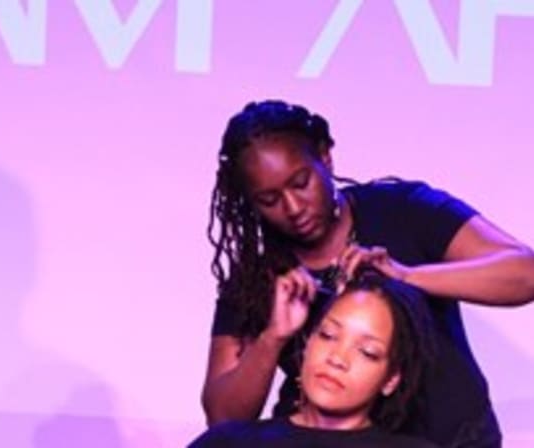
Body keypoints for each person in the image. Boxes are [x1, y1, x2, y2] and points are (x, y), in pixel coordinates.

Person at [202, 99, 534, 447]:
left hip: (454, 439)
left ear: (325, 157)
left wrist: (408, 277)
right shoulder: (258, 275)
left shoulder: (402, 209)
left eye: (301, 183)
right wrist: (272, 338)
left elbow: (525, 273)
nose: (294, 207)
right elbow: (222, 418)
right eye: (269, 200)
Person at [191, 272, 439, 447]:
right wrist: (274, 335)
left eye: (367, 352)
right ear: (308, 344)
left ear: (391, 380)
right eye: (328, 335)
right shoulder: (229, 442)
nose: (337, 358)